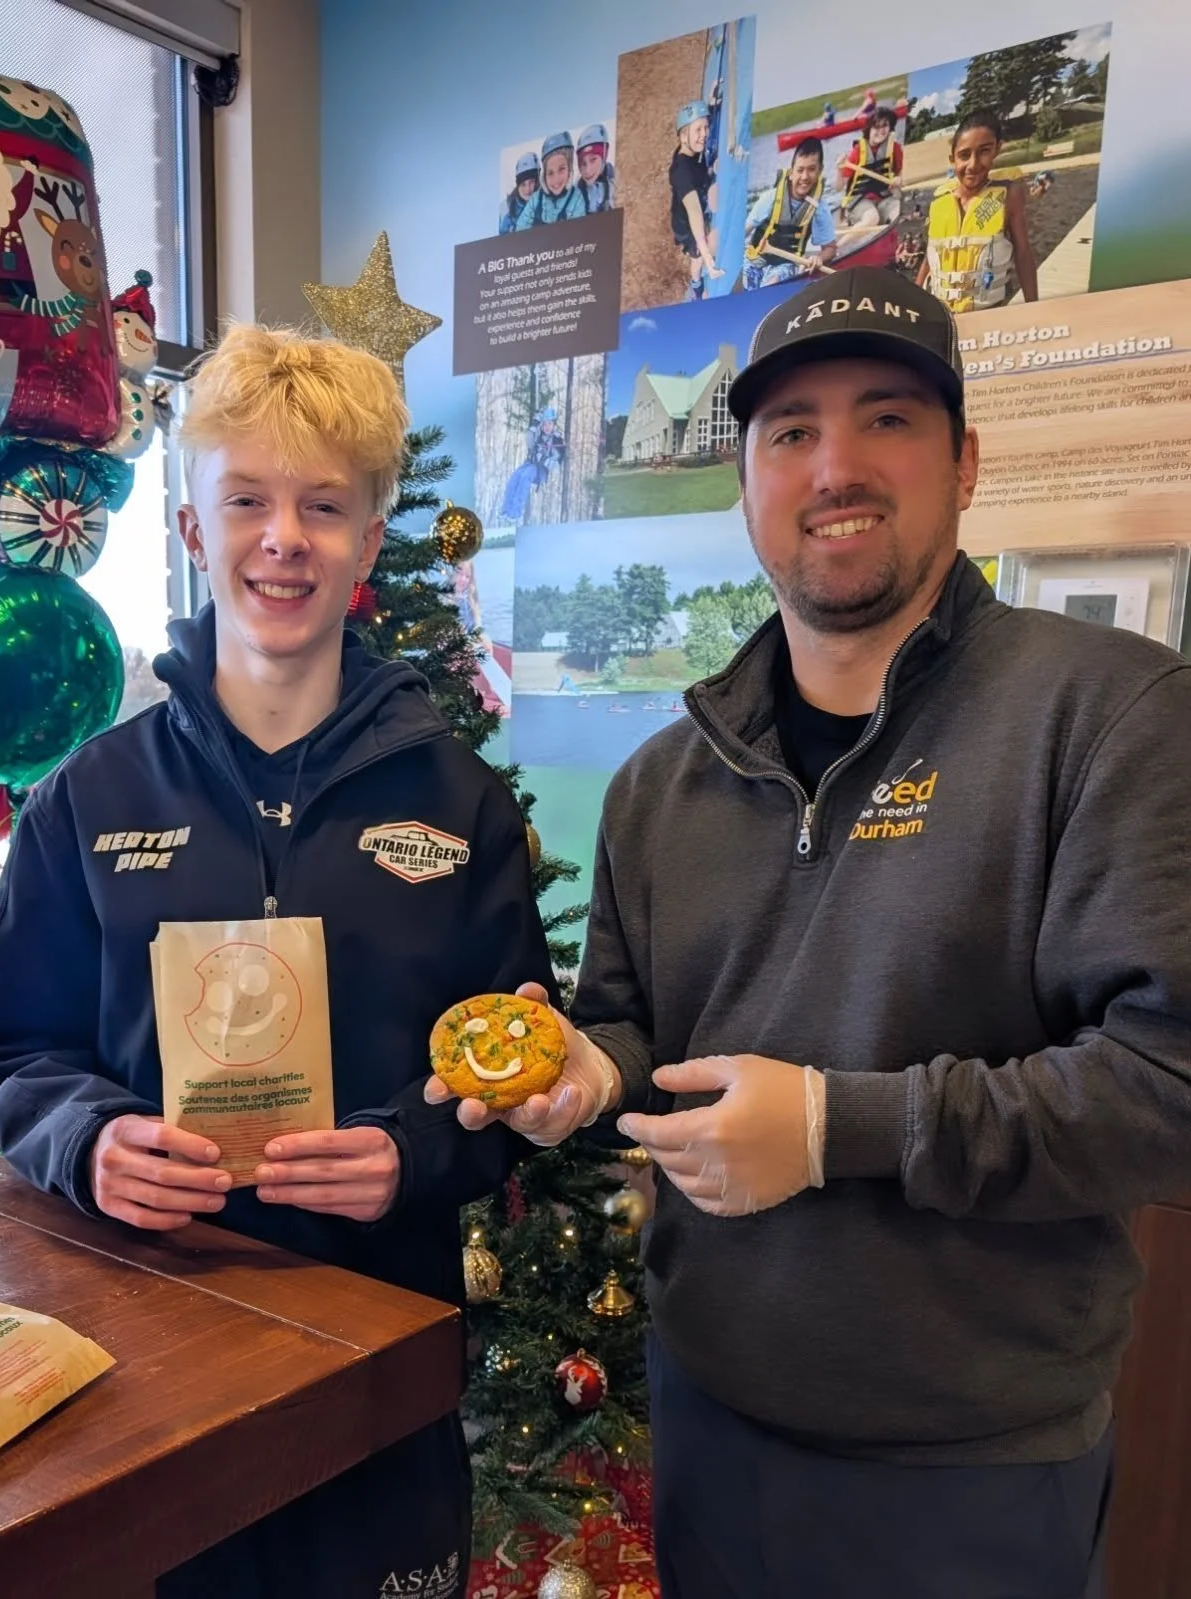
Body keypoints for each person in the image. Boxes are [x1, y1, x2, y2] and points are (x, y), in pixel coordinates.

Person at [431, 265, 1191, 1598]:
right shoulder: (661, 781)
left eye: (886, 418)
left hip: (973, 1460)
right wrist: (586, 1074)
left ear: (964, 460)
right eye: (790, 432)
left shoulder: (1110, 714)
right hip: (713, 1412)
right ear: (748, 481)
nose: (834, 465)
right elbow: (627, 1024)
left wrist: (840, 1125)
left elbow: (1167, 1088)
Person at [0, 323, 554, 1599]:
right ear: (191, 530)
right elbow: (7, 1056)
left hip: (377, 1377)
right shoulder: (88, 796)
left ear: (368, 545)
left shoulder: (460, 808)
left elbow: (518, 1079)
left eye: (323, 506)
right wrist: (88, 1142)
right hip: (149, 1369)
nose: (284, 537)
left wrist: (411, 1150)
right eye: (248, 500)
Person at [920, 108, 1038, 309]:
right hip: (940, 314)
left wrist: (1033, 307)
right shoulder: (939, 199)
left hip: (990, 312)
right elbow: (930, 257)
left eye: (984, 151)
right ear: (952, 159)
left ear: (997, 149)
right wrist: (914, 302)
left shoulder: (1009, 195)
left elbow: (1023, 252)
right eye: (964, 155)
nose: (973, 164)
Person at [744, 137, 839, 288]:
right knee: (742, 283)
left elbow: (831, 248)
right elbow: (744, 231)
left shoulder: (819, 207)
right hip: (754, 258)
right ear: (791, 172)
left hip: (786, 265)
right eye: (800, 170)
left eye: (812, 169)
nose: (805, 177)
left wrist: (819, 258)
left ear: (820, 170)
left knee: (771, 284)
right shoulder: (771, 198)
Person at [668, 99, 724, 300]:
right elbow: (694, 212)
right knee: (699, 253)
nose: (705, 135)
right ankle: (696, 282)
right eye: (698, 130)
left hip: (690, 208)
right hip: (685, 224)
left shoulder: (688, 151)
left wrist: (711, 105)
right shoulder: (681, 173)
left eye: (706, 128)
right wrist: (706, 253)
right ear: (684, 136)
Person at [838, 104, 903, 228]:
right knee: (872, 218)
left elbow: (901, 173)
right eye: (876, 127)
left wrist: (899, 179)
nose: (881, 131)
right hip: (859, 201)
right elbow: (840, 186)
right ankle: (838, 246)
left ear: (890, 127)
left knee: (898, 211)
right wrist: (839, 169)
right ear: (869, 130)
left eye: (885, 126)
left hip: (883, 198)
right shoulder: (858, 151)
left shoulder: (895, 148)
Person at [499, 404, 566, 523]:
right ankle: (506, 511)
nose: (547, 427)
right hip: (529, 464)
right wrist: (535, 423)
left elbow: (557, 464)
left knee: (525, 478)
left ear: (554, 424)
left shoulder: (557, 440)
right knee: (514, 479)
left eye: (549, 424)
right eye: (544, 424)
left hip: (540, 471)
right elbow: (529, 441)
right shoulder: (538, 435)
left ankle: (515, 514)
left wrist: (545, 459)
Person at [516, 131, 586, 229]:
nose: (555, 179)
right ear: (544, 174)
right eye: (550, 173)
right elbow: (520, 228)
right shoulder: (536, 199)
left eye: (561, 169)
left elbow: (579, 231)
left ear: (569, 168)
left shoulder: (576, 198)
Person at [575, 123, 615, 214]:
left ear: (604, 155)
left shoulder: (617, 185)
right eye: (582, 163)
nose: (587, 170)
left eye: (593, 160)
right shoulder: (575, 194)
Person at [499, 149, 540, 234]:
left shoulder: (546, 202)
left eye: (531, 182)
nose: (527, 189)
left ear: (537, 182)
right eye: (523, 184)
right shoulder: (508, 211)